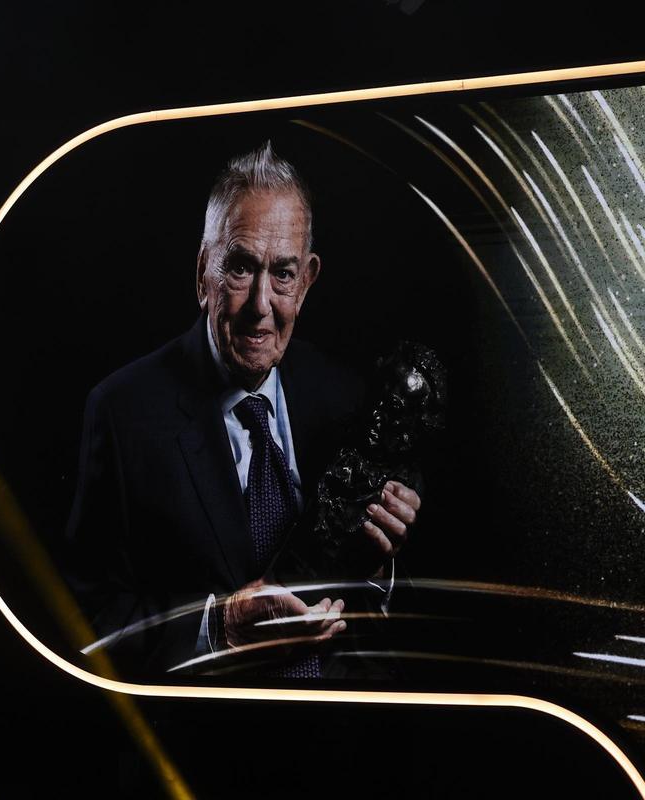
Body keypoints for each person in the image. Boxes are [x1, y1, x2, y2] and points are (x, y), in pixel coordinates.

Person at [65, 141, 421, 676]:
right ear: (204, 272)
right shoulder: (123, 413)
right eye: (240, 267)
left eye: (283, 273)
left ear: (307, 282)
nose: (261, 306)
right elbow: (84, 622)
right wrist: (219, 629)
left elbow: (375, 616)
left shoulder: (344, 397)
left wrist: (377, 565)